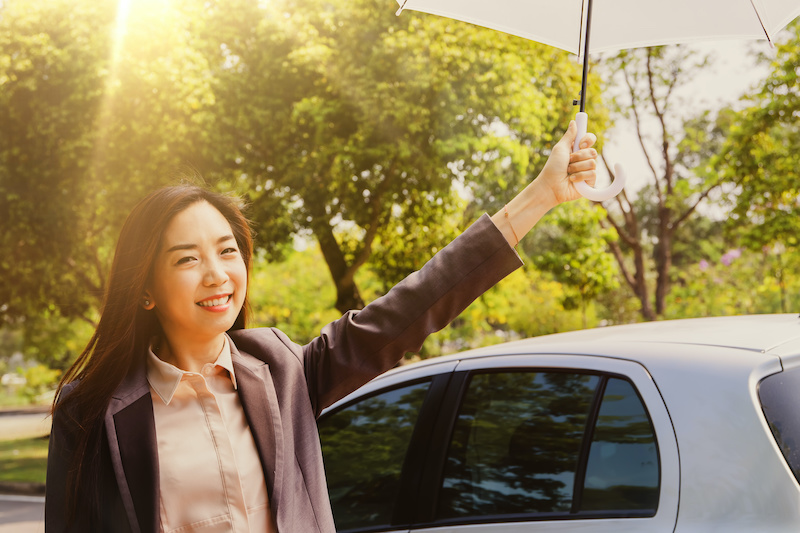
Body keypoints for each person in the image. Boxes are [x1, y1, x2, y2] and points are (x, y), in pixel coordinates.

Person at [45, 121, 598, 533]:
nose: (217, 275)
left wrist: (542, 195)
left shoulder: (279, 370)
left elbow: (412, 307)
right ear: (144, 288)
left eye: (227, 251)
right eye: (187, 259)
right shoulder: (91, 414)